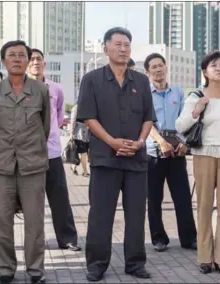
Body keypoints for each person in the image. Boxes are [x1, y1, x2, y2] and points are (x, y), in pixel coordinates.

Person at [76, 27, 155, 281]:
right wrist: (111, 141)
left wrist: (141, 142)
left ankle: (135, 263)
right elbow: (88, 117)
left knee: (135, 214)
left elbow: (147, 118)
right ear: (105, 48)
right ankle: (97, 264)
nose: (123, 49)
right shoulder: (91, 79)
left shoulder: (141, 81)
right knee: (100, 214)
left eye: (127, 45)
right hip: (104, 159)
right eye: (118, 44)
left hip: (136, 159)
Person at [176, 51, 220, 276]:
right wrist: (197, 109)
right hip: (203, 154)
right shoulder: (195, 96)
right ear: (205, 71)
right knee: (205, 206)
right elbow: (180, 126)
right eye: (213, 65)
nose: (218, 68)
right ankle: (205, 257)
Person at [0, 40, 50, 284]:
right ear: (3, 61)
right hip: (1, 167)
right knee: (1, 220)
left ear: (29, 60)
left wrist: (32, 149)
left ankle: (35, 270)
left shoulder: (40, 91)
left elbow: (44, 127)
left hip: (33, 166)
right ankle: (4, 269)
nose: (17, 59)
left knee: (35, 222)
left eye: (22, 55)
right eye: (11, 55)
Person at [27, 48, 81, 252]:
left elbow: (58, 117)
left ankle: (67, 238)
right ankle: (34, 243)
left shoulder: (55, 89)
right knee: (31, 201)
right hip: (28, 155)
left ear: (44, 64)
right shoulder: (19, 87)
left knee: (59, 196)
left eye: (38, 59)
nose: (35, 62)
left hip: (52, 153)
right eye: (31, 59)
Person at [144, 53, 197, 252]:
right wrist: (160, 142)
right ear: (148, 72)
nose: (158, 70)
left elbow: (186, 119)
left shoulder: (178, 93)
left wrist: (183, 143)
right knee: (154, 197)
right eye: (154, 67)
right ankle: (158, 238)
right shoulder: (145, 94)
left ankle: (189, 237)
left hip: (177, 152)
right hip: (153, 152)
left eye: (161, 65)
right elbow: (145, 121)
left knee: (182, 196)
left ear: (166, 68)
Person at [70, 104, 90, 176]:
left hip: (85, 133)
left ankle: (73, 167)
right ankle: (85, 172)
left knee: (79, 152)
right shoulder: (76, 107)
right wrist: (71, 133)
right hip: (79, 133)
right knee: (83, 152)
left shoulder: (87, 106)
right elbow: (72, 120)